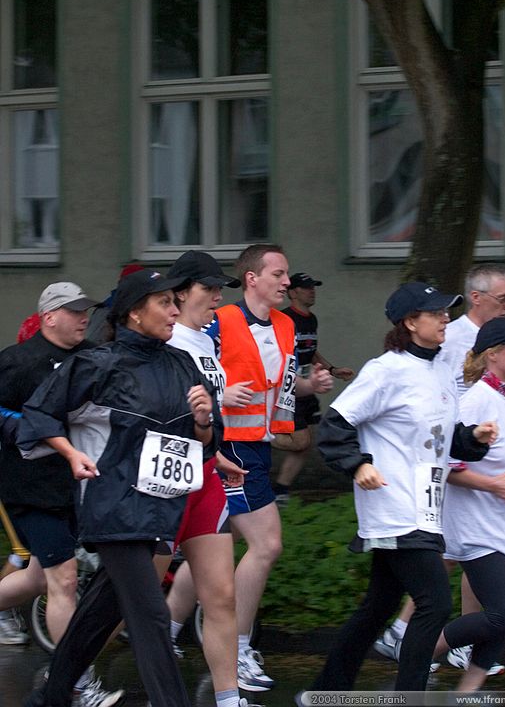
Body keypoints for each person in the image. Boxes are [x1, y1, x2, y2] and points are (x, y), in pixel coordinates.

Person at [18, 268, 221, 707]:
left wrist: (204, 420)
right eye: (164, 303)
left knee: (98, 613)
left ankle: (52, 696)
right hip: (113, 506)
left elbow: (204, 442)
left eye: (175, 301)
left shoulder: (181, 363)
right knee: (150, 615)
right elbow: (39, 415)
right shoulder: (97, 364)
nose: (174, 310)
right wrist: (71, 454)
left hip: (160, 507)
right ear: (133, 313)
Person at [296, 282, 497, 700]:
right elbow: (336, 425)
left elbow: (441, 438)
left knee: (378, 609)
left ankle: (324, 693)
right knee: (435, 606)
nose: (446, 319)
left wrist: (473, 436)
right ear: (410, 322)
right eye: (436, 313)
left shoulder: (441, 369)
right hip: (393, 508)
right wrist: (359, 464)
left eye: (447, 312)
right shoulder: (385, 370)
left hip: (425, 508)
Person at [374, 263, 505, 674]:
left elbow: (491, 392)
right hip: (443, 459)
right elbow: (453, 393)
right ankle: (407, 635)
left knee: (464, 556)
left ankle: (433, 638)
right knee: (451, 551)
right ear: (477, 298)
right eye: (503, 299)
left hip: (470, 448)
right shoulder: (451, 336)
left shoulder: (496, 342)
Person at [205, 244, 333, 692]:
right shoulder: (220, 322)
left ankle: (167, 625)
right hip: (228, 448)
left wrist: (308, 385)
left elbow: (278, 386)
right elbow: (190, 377)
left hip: (260, 446)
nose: (286, 282)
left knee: (210, 542)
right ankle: (236, 647)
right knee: (267, 544)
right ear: (251, 279)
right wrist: (220, 399)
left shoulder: (285, 325)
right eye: (278, 274)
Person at [0, 282, 123, 706]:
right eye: (73, 311)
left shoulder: (92, 357)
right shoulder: (17, 362)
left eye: (85, 310)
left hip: (78, 487)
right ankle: (76, 684)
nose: (83, 317)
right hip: (29, 488)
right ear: (49, 316)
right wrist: (30, 428)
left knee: (38, 578)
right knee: (64, 580)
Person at [164, 250, 257, 707]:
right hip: (163, 485)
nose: (218, 298)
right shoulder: (167, 341)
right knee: (128, 605)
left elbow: (203, 412)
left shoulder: (203, 342)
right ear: (180, 294)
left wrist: (215, 452)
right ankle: (70, 677)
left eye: (221, 289)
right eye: (209, 289)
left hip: (204, 478)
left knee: (220, 596)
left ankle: (228, 698)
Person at [432, 316, 505, 691]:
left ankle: (465, 694)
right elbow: (447, 468)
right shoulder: (475, 402)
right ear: (492, 355)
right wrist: (494, 486)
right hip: (476, 526)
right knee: (500, 615)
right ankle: (418, 648)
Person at [272, 272, 354, 505]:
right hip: (290, 389)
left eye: (313, 287)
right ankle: (257, 436)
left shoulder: (312, 319)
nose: (312, 291)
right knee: (300, 441)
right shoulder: (283, 318)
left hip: (308, 388)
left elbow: (311, 350)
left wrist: (333, 370)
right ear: (293, 292)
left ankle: (281, 490)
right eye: (307, 287)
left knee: (307, 444)